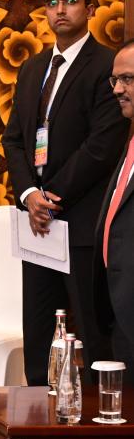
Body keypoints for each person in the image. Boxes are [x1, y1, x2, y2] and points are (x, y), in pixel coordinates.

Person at [1, 0, 126, 386]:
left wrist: (51, 196)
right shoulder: (33, 68)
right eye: (52, 3)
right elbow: (14, 139)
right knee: (38, 329)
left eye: (71, 1)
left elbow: (102, 146)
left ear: (90, 9)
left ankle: (94, 420)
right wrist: (29, 195)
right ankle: (38, 415)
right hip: (37, 222)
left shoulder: (108, 65)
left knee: (92, 329)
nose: (60, 10)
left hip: (83, 221)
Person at [96, 39, 134, 365]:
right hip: (120, 308)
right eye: (115, 80)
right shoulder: (130, 142)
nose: (118, 89)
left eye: (128, 79)